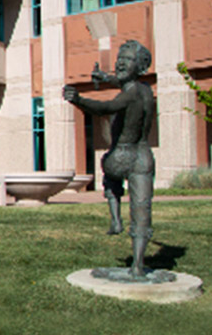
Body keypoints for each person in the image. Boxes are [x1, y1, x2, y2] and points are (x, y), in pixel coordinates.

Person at [63, 40, 155, 279]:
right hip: (143, 156)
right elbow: (122, 81)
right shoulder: (145, 89)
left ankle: (115, 219)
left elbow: (106, 108)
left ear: (141, 66)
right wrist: (104, 76)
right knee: (142, 210)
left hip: (122, 154)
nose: (121, 63)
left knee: (110, 171)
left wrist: (78, 100)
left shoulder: (131, 95)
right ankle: (137, 264)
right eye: (119, 59)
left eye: (127, 60)